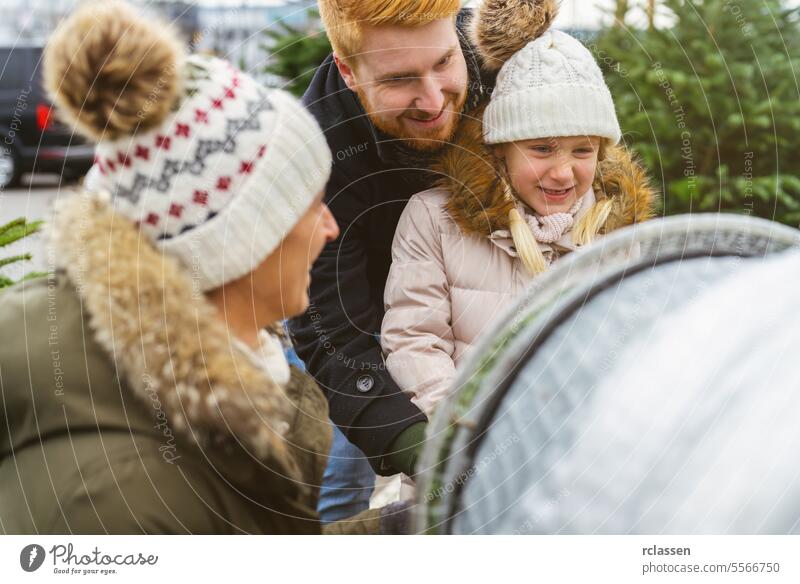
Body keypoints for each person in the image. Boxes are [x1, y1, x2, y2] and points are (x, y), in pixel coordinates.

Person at [0, 0, 345, 533]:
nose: (330, 228)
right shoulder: (123, 505)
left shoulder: (229, 364)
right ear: (240, 242)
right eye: (309, 205)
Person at [288, 0, 559, 518]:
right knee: (346, 477)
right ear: (348, 71)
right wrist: (426, 448)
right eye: (399, 80)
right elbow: (329, 328)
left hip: (480, 301)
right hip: (366, 319)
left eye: (443, 63)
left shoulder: (494, 60)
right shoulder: (315, 155)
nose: (433, 99)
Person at [381, 22, 658, 416]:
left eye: (583, 150)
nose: (563, 173)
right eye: (542, 149)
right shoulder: (434, 219)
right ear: (501, 150)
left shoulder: (620, 233)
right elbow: (415, 339)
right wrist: (462, 432)